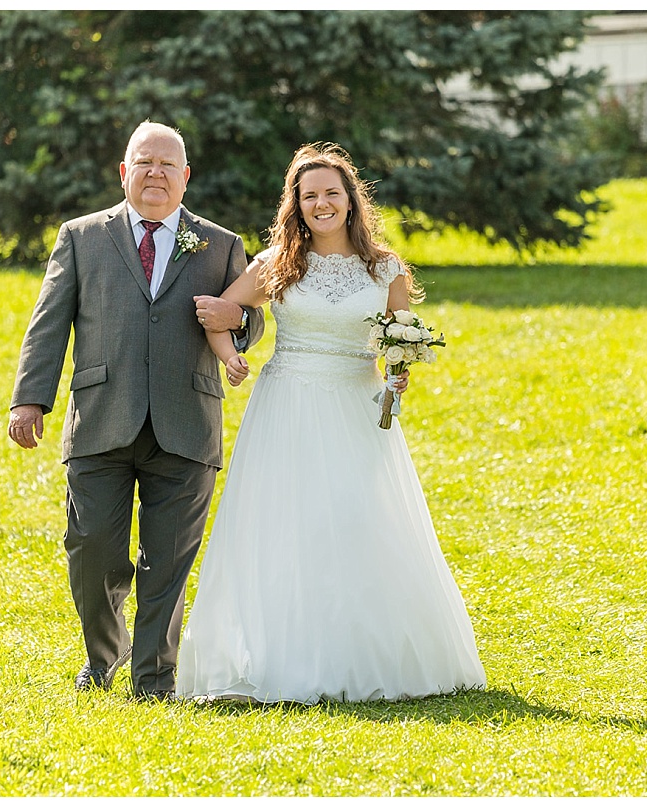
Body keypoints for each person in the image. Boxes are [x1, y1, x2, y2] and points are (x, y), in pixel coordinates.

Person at [177, 143, 485, 704]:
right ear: (296, 203)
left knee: (352, 521)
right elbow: (217, 312)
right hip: (287, 402)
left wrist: (399, 373)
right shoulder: (277, 263)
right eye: (309, 194)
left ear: (350, 201)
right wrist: (229, 357)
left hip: (355, 405)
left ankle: (359, 653)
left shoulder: (385, 268)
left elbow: (399, 341)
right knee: (286, 524)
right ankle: (278, 656)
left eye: (331, 193)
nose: (321, 203)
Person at [8, 120, 264, 700]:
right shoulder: (81, 237)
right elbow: (48, 324)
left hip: (186, 418)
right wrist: (30, 399)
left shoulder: (219, 244)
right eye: (144, 163)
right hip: (101, 415)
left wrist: (239, 325)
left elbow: (250, 317)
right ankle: (103, 657)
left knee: (167, 562)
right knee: (92, 549)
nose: (155, 173)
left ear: (185, 177)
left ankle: (153, 677)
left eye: (167, 164)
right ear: (124, 172)